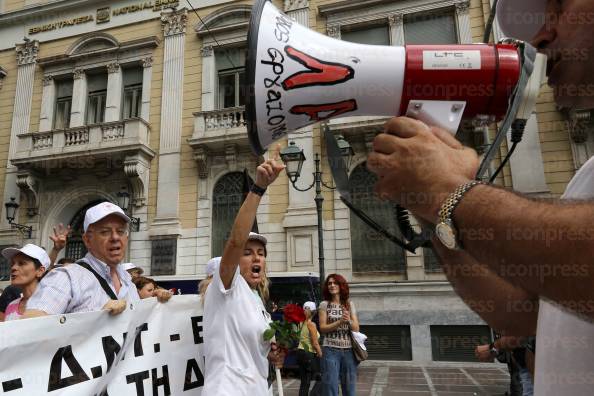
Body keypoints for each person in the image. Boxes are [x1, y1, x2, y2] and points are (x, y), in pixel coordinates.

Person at [367, 1, 594, 395]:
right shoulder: (587, 178)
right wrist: (430, 205)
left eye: (559, 6)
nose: (539, 36)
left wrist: (450, 192)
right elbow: (522, 311)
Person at [202, 151, 286, 395]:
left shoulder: (256, 299)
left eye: (261, 252)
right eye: (248, 252)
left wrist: (271, 353)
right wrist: (259, 188)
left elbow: (253, 348)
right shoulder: (228, 286)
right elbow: (235, 241)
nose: (257, 256)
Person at [23, 202, 171, 318]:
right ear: (87, 240)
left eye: (120, 231)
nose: (115, 237)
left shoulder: (127, 281)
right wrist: (96, 320)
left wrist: (154, 306)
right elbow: (30, 330)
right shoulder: (66, 278)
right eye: (105, 232)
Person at [318, 274, 360, 396]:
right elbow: (323, 328)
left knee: (350, 389)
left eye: (335, 283)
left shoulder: (349, 304)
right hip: (330, 350)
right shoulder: (324, 305)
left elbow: (356, 328)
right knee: (330, 387)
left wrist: (348, 321)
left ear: (341, 286)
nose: (332, 285)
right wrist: (340, 322)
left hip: (349, 351)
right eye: (329, 283)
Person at [1, 244, 50, 321]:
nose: (13, 268)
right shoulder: (11, 306)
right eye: (13, 263)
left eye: (22, 263)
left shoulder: (52, 304)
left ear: (40, 271)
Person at [297, 301, 323, 396]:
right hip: (308, 354)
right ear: (314, 312)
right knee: (321, 377)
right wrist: (320, 353)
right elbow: (315, 343)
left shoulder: (301, 323)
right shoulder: (311, 324)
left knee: (304, 382)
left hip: (300, 353)